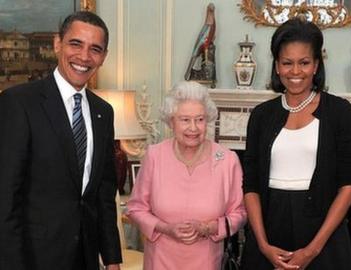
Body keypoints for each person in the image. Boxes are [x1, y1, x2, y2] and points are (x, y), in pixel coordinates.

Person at [0, 11, 121, 270]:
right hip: (34, 259)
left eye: (95, 49)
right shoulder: (19, 103)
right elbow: (5, 198)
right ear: (58, 44)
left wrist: (112, 259)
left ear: (103, 57)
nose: (84, 57)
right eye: (75, 44)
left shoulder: (104, 112)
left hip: (86, 258)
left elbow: (103, 194)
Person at [241, 18, 351, 270]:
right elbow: (250, 185)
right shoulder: (261, 115)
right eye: (287, 63)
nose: (295, 71)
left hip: (323, 236)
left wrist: (312, 250)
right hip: (270, 230)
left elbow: (349, 186)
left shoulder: (340, 112)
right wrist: (262, 245)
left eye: (304, 63)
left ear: (316, 65)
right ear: (276, 66)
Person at [127, 81, 247, 269]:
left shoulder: (227, 160)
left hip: (206, 262)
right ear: (171, 122)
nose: (193, 128)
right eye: (185, 120)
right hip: (160, 261)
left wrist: (208, 228)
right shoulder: (155, 155)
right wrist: (166, 228)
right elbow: (135, 209)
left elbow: (240, 213)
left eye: (199, 119)